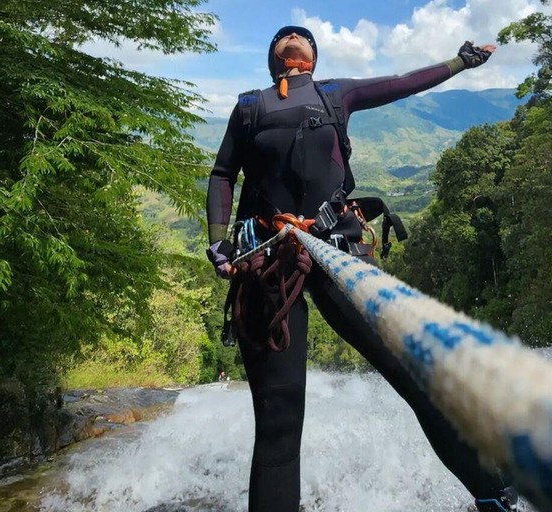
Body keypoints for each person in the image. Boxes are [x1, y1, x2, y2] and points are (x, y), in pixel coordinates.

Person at [206, 26, 518, 512]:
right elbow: (223, 173)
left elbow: (403, 82)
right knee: (279, 420)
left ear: (312, 59)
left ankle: (494, 496)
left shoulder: (336, 93)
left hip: (337, 249)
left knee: (417, 375)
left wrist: (461, 63)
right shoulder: (250, 107)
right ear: (274, 61)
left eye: (302, 35)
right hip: (269, 262)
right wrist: (217, 239)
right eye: (284, 37)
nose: (293, 36)